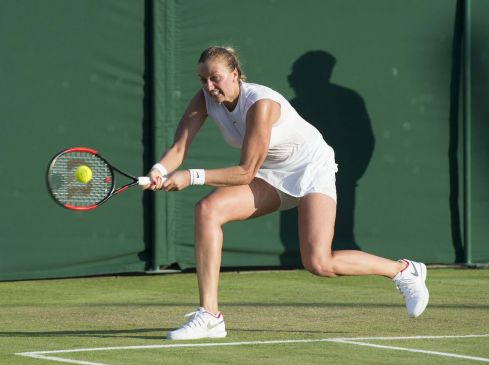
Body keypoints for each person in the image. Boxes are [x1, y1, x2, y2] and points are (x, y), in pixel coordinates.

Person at [145, 46, 429, 340]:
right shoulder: (204, 99)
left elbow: (245, 172)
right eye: (203, 79)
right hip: (272, 171)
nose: (209, 86)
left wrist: (191, 176)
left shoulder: (260, 103)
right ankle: (210, 316)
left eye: (215, 78)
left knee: (319, 263)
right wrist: (158, 169)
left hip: (309, 166)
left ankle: (404, 271)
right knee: (207, 211)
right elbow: (178, 149)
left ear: (235, 74)